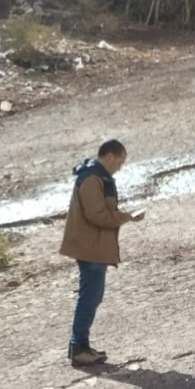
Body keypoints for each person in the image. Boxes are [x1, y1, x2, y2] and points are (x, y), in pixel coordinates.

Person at [59, 140, 144, 366]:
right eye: (120, 162)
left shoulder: (95, 176)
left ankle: (80, 346)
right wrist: (126, 216)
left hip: (93, 247)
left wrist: (124, 216)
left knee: (92, 297)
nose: (120, 168)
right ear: (110, 157)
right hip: (91, 248)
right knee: (89, 298)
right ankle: (79, 348)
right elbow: (97, 215)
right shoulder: (92, 178)